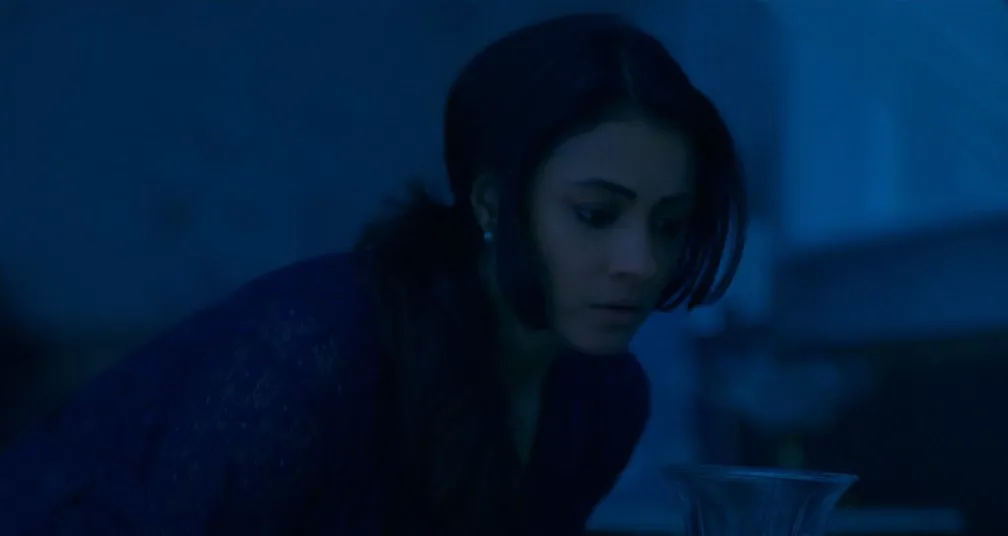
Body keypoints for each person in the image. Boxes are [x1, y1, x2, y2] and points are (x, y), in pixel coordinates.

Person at [0, 12, 746, 536]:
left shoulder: (603, 400)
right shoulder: (317, 353)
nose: (641, 263)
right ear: (492, 202)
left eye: (669, 224)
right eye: (595, 214)